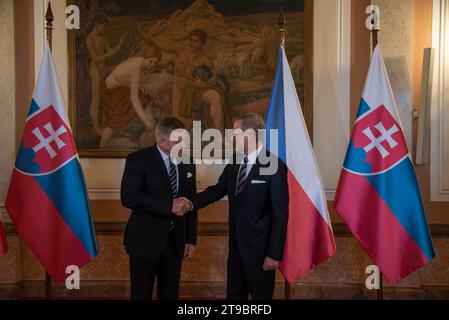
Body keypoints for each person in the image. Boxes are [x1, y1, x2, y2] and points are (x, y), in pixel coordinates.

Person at [179, 113, 289, 300]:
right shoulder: (236, 161)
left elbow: (280, 214)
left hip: (261, 254)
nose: (231, 138)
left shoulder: (274, 165)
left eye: (235, 133)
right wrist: (190, 203)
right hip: (236, 250)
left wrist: (274, 254)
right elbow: (217, 190)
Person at [120, 116, 197, 300]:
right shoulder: (138, 160)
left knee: (170, 295)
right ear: (162, 141)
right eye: (179, 142)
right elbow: (129, 197)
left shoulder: (188, 162)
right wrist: (168, 206)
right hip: (144, 241)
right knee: (141, 294)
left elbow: (191, 202)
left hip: (175, 243)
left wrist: (190, 239)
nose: (184, 147)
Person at [135, 25, 230, 131]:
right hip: (179, 85)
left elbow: (214, 77)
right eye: (190, 40)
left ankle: (220, 135)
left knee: (215, 97)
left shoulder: (204, 59)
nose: (191, 43)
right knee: (181, 123)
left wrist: (202, 85)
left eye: (195, 41)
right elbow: (157, 44)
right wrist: (141, 33)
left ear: (202, 44)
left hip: (193, 87)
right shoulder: (179, 50)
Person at [100, 50, 158, 148]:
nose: (152, 65)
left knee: (144, 98)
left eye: (155, 63)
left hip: (119, 87)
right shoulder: (135, 69)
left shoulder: (138, 62)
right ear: (145, 58)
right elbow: (134, 99)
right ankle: (102, 146)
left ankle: (151, 128)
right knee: (115, 120)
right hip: (113, 91)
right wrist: (146, 121)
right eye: (151, 61)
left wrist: (139, 86)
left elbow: (123, 78)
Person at [86, 15, 126, 136]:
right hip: (95, 71)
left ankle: (105, 125)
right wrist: (111, 53)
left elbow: (111, 52)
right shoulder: (90, 39)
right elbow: (95, 59)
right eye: (103, 26)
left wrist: (120, 43)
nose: (104, 29)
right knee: (96, 98)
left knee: (104, 98)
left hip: (103, 70)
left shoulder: (102, 38)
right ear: (96, 25)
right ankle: (95, 127)